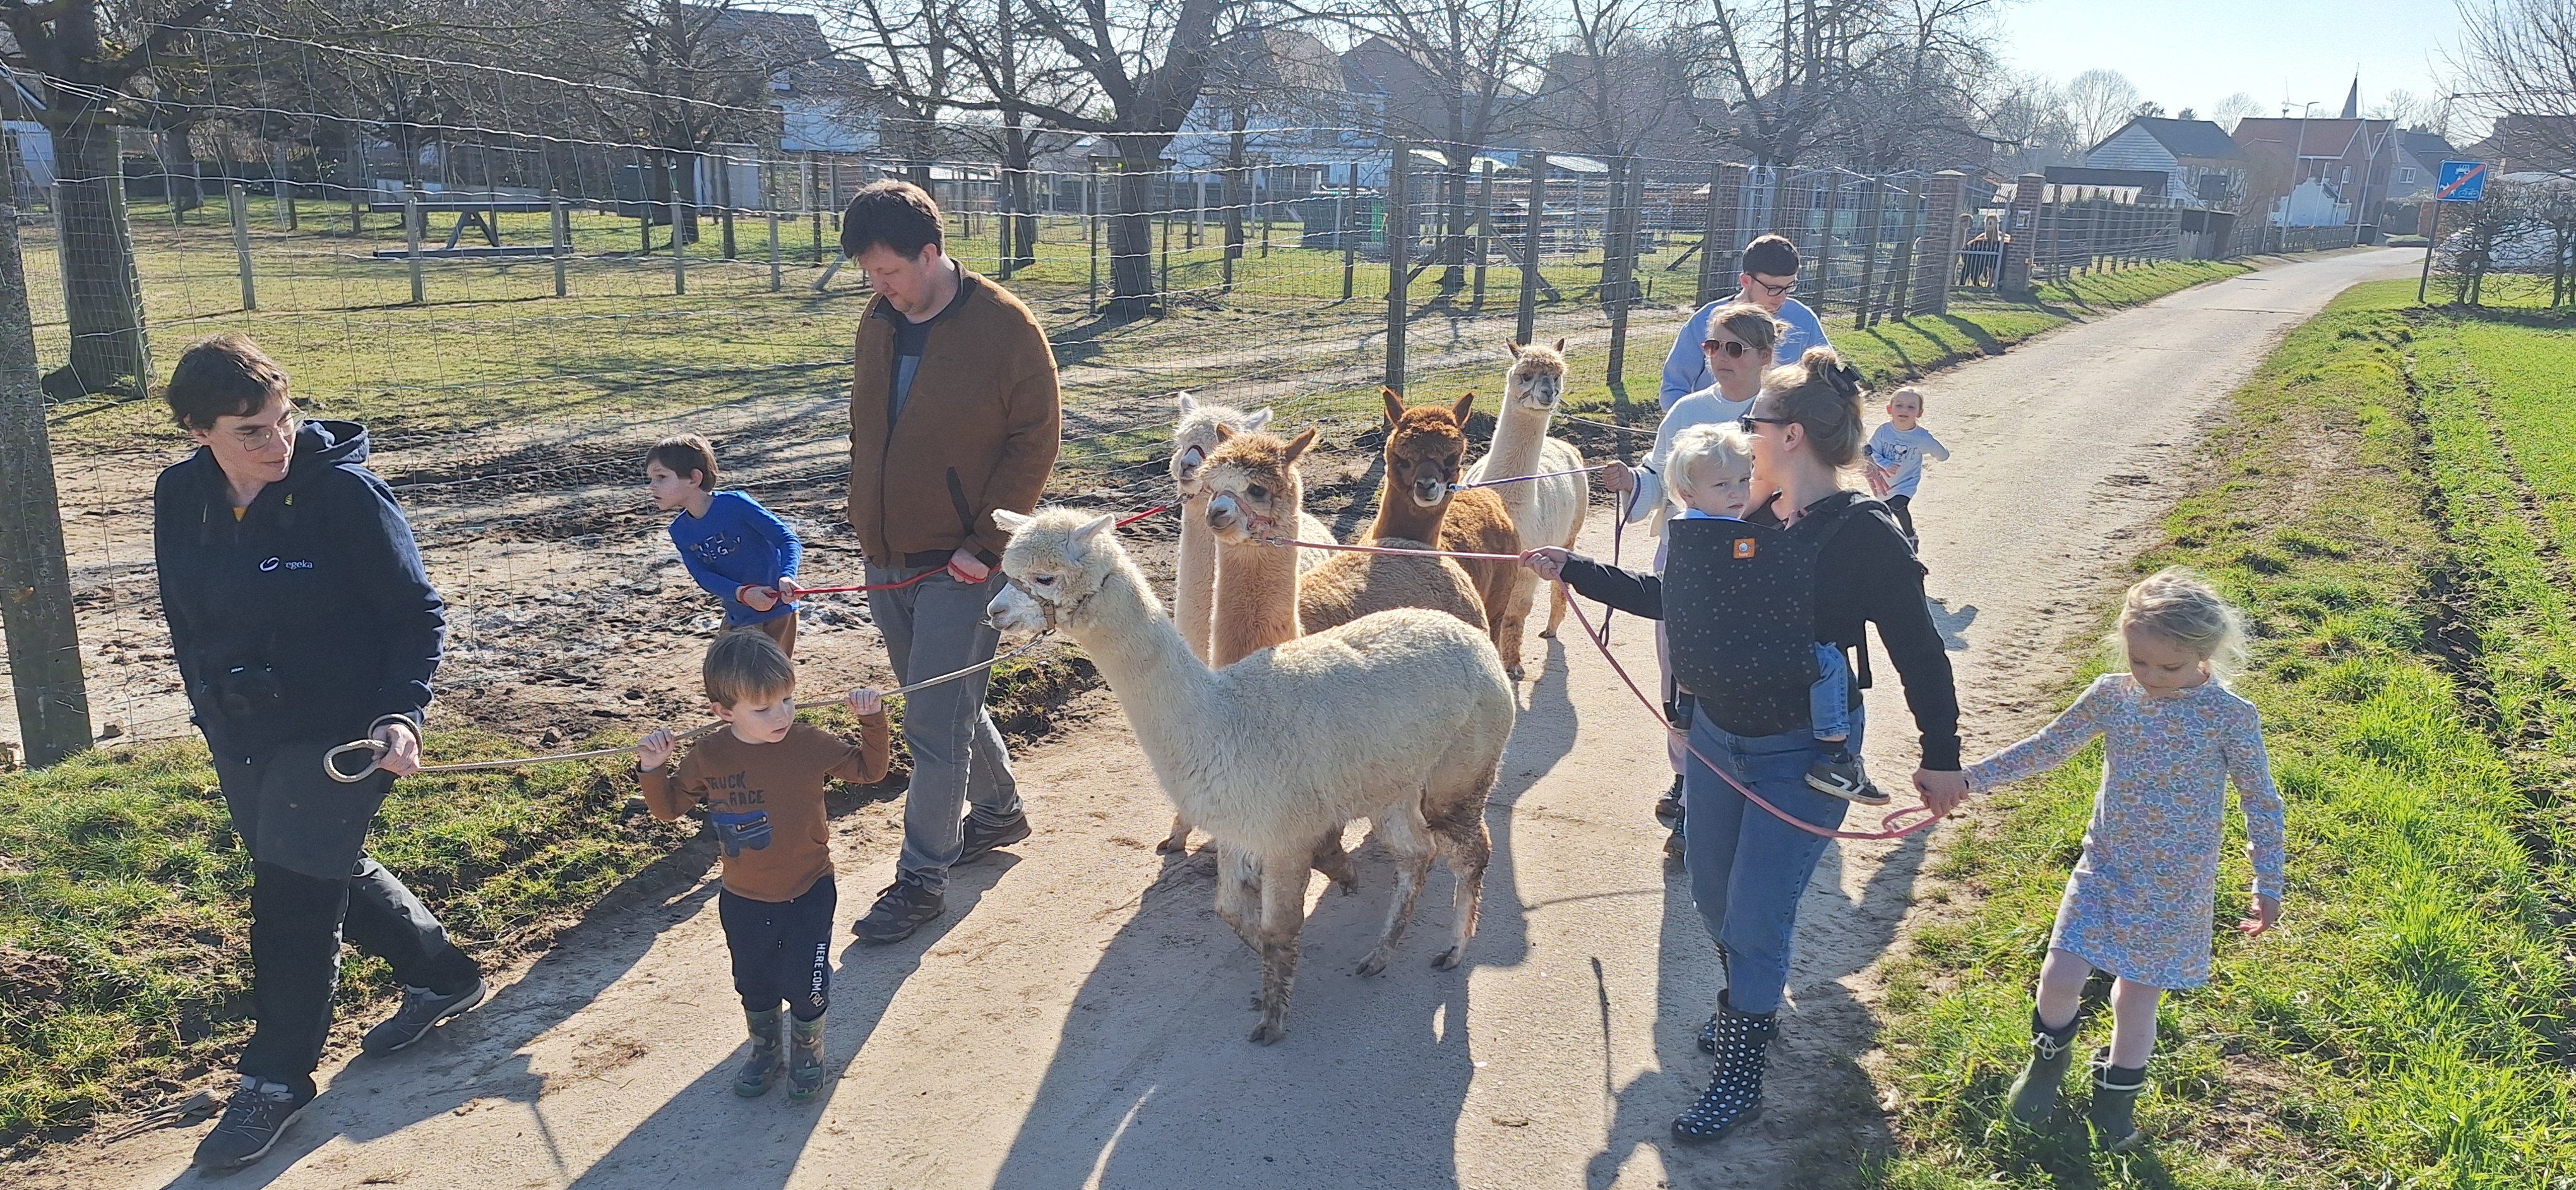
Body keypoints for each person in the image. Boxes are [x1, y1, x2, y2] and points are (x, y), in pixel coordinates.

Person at [1527, 346, 1965, 1145]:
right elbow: (1677, 597)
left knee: (1758, 918)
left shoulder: (1864, 534)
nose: (1743, 430)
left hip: (1801, 754)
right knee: (1712, 896)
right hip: (1718, 739)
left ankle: (1741, 1073)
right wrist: (1578, 570)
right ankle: (1744, 1010)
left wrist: (1943, 754)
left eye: (1752, 420)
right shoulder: (1749, 514)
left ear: (1789, 434)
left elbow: (1918, 649)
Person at [153, 334, 485, 1170]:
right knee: (310, 863)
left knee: (291, 899)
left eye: (284, 420)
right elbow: (186, 620)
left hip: (343, 732)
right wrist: (212, 713)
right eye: (251, 432)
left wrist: (401, 714)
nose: (279, 444)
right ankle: (442, 975)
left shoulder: (344, 494)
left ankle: (275, 1080)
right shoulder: (177, 497)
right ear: (199, 432)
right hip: (242, 728)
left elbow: (417, 614)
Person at [1955, 568, 2285, 1151]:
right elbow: (2047, 747)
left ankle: (2113, 1106)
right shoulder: (2112, 695)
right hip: (2105, 865)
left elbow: (2261, 799)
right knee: (2059, 978)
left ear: (2205, 654)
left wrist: (2269, 879)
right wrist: (1966, 781)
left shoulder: (2230, 716)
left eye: (2169, 668)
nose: (2152, 678)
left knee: (2136, 998)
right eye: (2141, 662)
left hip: (2177, 883)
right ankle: (2046, 1066)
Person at [840, 179, 1060, 943]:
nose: (880, 287)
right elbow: (871, 425)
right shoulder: (879, 318)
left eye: (890, 272)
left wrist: (986, 547)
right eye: (870, 275)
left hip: (965, 562)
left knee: (933, 721)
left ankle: (920, 882)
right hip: (885, 554)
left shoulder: (1006, 329)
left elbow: (1036, 442)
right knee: (942, 704)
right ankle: (998, 812)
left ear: (930, 254)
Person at [636, 630, 891, 1103]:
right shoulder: (709, 755)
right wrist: (654, 769)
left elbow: (869, 771)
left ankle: (808, 1049)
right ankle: (765, 1048)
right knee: (753, 980)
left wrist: (873, 722)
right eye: (763, 708)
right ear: (723, 712)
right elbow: (671, 808)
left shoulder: (808, 742)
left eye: (788, 699)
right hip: (743, 898)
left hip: (810, 889)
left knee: (807, 981)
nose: (782, 715)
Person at [1602, 303, 1787, 847]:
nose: (1721, 358)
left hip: (1759, 566)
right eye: (1713, 347)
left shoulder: (1781, 413)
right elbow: (1660, 480)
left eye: (1735, 349)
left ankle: (1744, 782)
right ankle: (1687, 786)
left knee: (1747, 674)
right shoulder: (1686, 410)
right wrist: (1629, 481)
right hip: (1686, 560)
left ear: (1764, 357)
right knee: (1680, 674)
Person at [1657, 424, 1884, 806]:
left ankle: (1685, 712)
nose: (1738, 492)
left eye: (1744, 480)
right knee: (1828, 661)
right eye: (1723, 485)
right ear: (1687, 492)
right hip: (1738, 651)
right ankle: (1835, 753)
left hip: (1694, 660)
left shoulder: (1683, 532)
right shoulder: (1734, 536)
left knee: (1685, 637)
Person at [648, 434, 805, 657]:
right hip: (738, 616)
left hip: (776, 615)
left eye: (661, 477)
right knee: (724, 683)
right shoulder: (680, 531)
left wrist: (787, 576)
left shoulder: (736, 505)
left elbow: (787, 540)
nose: (652, 486)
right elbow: (703, 576)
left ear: (694, 478)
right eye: (651, 479)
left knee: (771, 687)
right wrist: (743, 594)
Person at [1657, 234, 1830, 410]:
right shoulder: (1707, 319)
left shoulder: (1803, 319)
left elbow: (1827, 378)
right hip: (1714, 429)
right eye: (1774, 289)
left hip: (1777, 431)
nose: (1782, 297)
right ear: (1746, 281)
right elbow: (1673, 389)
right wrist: (1692, 426)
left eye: (1789, 287)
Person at [1864, 387, 1948, 549]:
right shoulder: (1884, 431)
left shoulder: (1921, 437)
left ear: (1919, 412)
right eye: (1899, 405)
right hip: (1884, 482)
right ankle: (1890, 540)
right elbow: (1871, 451)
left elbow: (1942, 454)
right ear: (1890, 409)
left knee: (1898, 505)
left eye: (1911, 407)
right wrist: (1887, 464)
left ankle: (1910, 535)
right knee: (1884, 510)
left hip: (1906, 483)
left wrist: (1939, 453)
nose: (1904, 410)